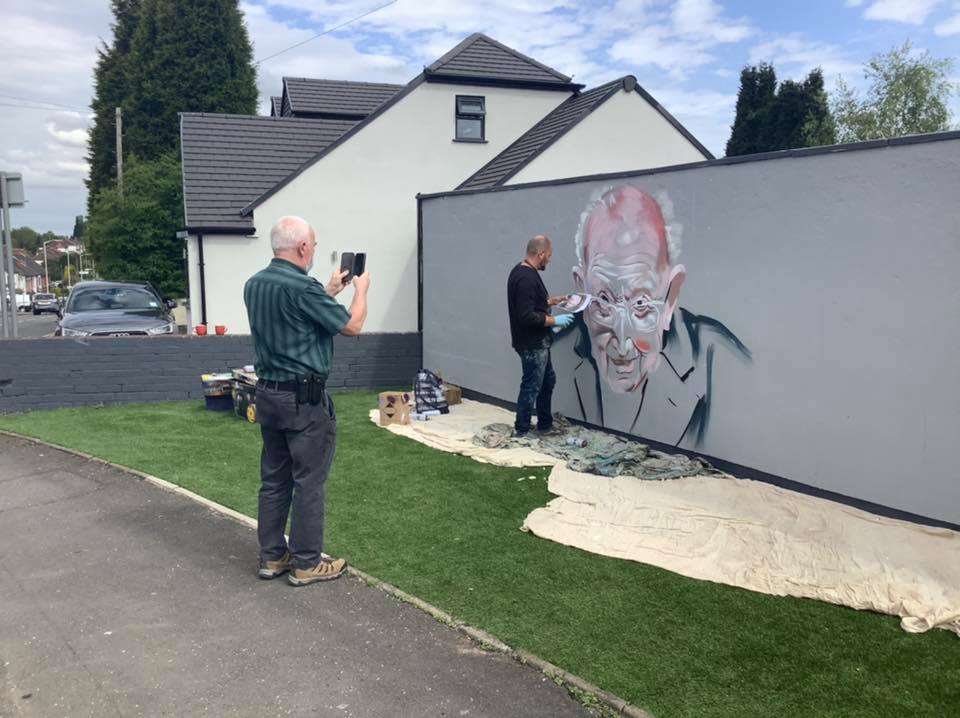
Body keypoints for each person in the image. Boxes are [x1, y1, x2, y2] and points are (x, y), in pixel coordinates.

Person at [553, 185, 750, 446]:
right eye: (603, 302)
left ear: (670, 298)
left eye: (641, 304)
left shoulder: (720, 360)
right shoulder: (557, 350)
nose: (622, 344)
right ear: (581, 289)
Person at [243, 216, 370, 586]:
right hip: (304, 400)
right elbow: (352, 326)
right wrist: (360, 290)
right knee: (309, 482)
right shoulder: (302, 287)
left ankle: (273, 557)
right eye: (313, 245)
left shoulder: (255, 285)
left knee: (274, 480)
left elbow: (295, 321)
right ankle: (306, 563)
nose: (314, 250)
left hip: (268, 394)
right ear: (301, 247)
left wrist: (329, 290)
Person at [506, 235, 574, 436]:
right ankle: (522, 430)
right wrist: (555, 321)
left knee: (547, 381)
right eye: (549, 256)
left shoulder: (526, 271)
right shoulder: (525, 278)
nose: (550, 260)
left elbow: (534, 302)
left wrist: (553, 301)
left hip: (539, 342)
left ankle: (545, 424)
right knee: (531, 386)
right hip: (532, 343)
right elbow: (526, 315)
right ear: (541, 253)